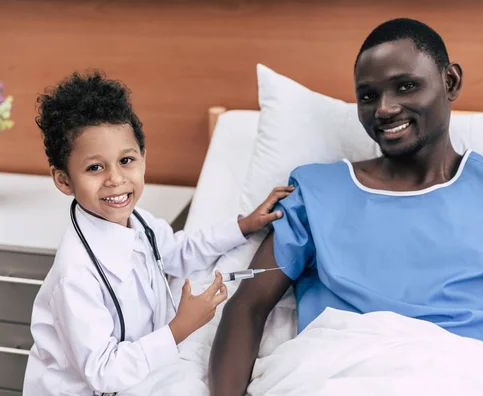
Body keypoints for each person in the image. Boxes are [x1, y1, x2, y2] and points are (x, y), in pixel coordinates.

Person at [209, 17, 483, 396]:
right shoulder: (316, 191)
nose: (384, 109)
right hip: (336, 374)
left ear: (450, 82)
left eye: (406, 86)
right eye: (368, 96)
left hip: (465, 375)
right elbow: (248, 307)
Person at [22, 71, 293, 395]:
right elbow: (104, 372)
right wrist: (180, 327)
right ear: (64, 180)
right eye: (95, 167)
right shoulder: (75, 276)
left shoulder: (139, 221)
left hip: (142, 374)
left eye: (126, 160)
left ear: (143, 158)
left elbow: (178, 251)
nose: (115, 179)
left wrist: (243, 226)